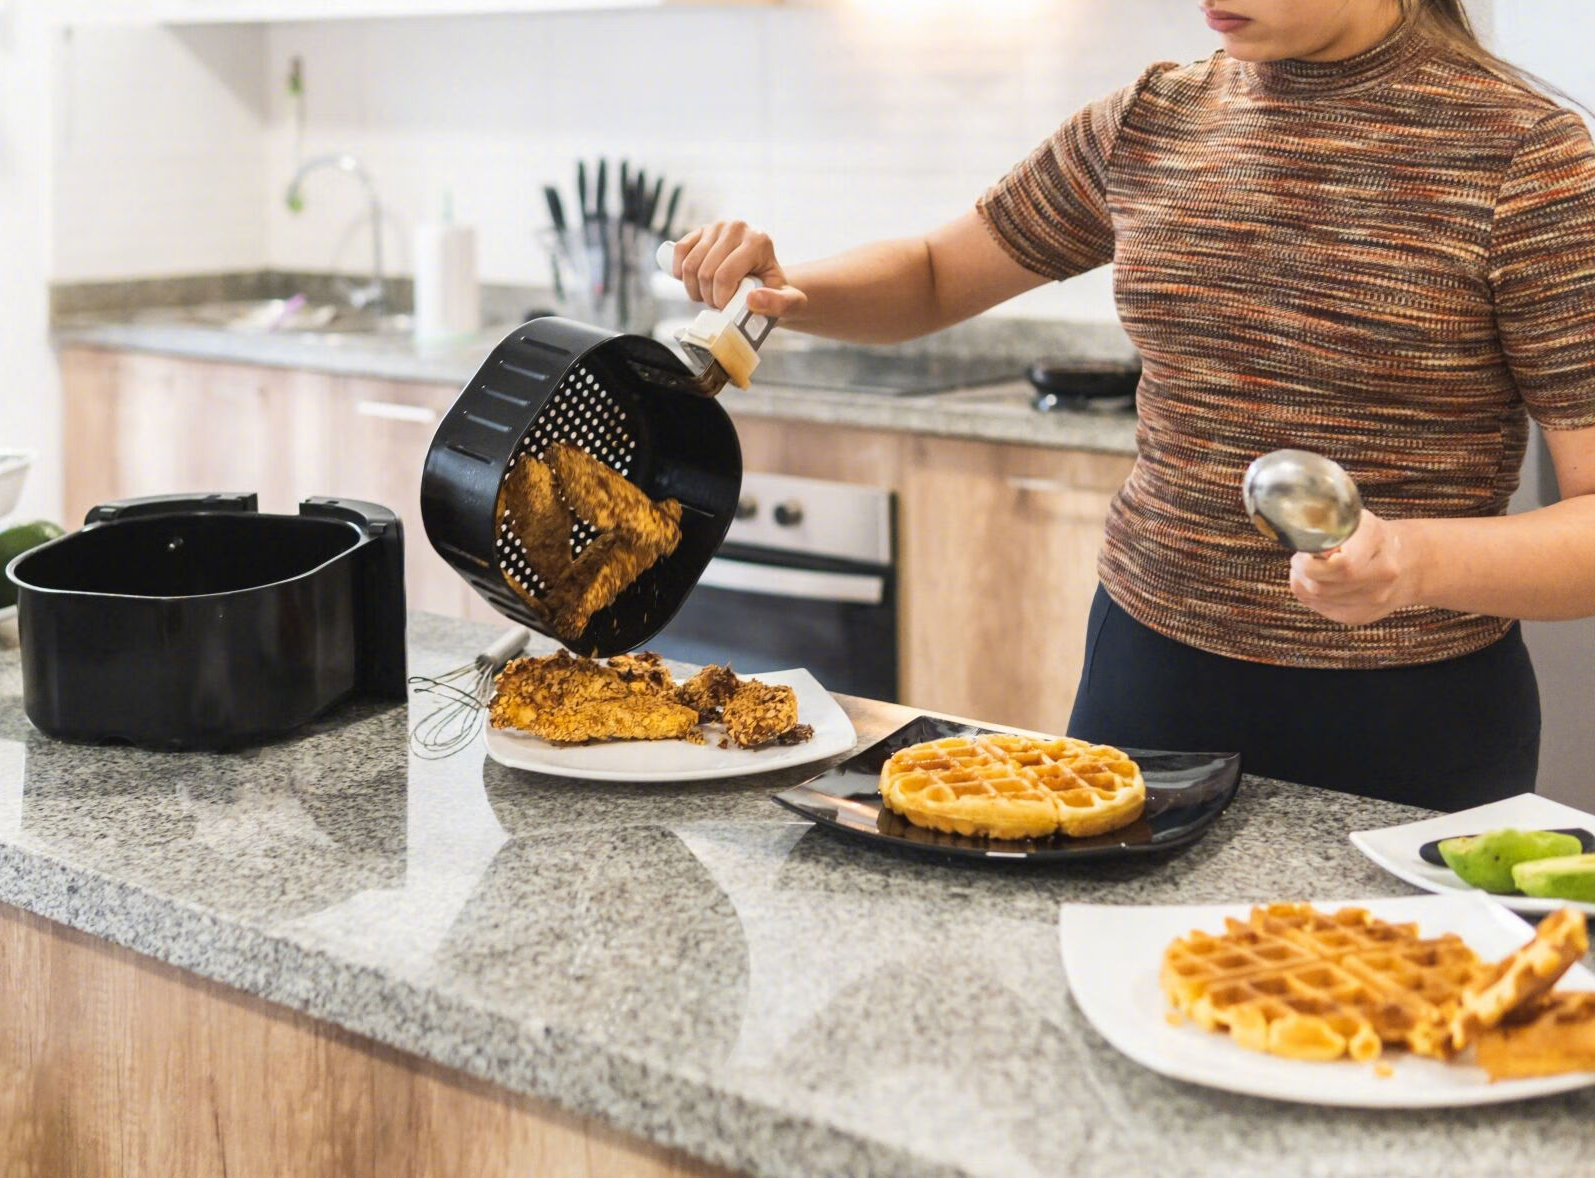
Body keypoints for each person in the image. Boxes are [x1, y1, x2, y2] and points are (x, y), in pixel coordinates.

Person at [667, 0, 1595, 809]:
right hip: (1150, 678)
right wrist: (787, 288)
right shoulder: (1154, 117)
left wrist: (1409, 560)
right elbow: (938, 273)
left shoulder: (1529, 157)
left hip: (1411, 717)